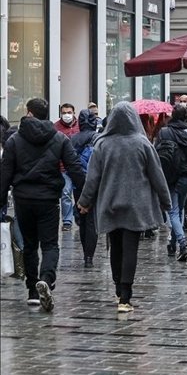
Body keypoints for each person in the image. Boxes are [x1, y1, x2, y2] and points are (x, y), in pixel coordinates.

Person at [78, 102, 171, 313]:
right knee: (130, 249)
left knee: (115, 246)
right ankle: (125, 297)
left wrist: (84, 202)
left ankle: (118, 287)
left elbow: (92, 178)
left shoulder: (102, 144)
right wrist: (166, 201)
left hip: (110, 203)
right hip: (136, 205)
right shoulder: (142, 143)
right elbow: (157, 176)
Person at [0, 98, 86, 312]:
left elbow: (5, 174)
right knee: (49, 244)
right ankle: (46, 279)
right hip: (48, 199)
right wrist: (85, 197)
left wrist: (1, 200)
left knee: (29, 245)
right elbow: (74, 167)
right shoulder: (59, 138)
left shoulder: (14, 140)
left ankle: (32, 291)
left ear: (29, 112)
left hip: (23, 199)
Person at [156, 104, 187, 261]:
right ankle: (173, 243)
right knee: (180, 209)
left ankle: (182, 244)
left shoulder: (164, 132)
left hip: (168, 175)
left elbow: (156, 154)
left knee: (173, 211)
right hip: (185, 176)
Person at [70, 108, 100, 268]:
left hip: (78, 184)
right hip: (94, 184)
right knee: (92, 220)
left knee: (82, 218)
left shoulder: (73, 139)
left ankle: (85, 254)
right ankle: (90, 256)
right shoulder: (98, 138)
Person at [55, 103, 80, 231]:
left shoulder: (80, 126)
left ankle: (79, 217)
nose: (66, 115)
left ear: (74, 113)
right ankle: (67, 221)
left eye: (69, 112)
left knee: (80, 194)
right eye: (64, 113)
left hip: (78, 167)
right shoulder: (56, 127)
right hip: (63, 167)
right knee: (65, 193)